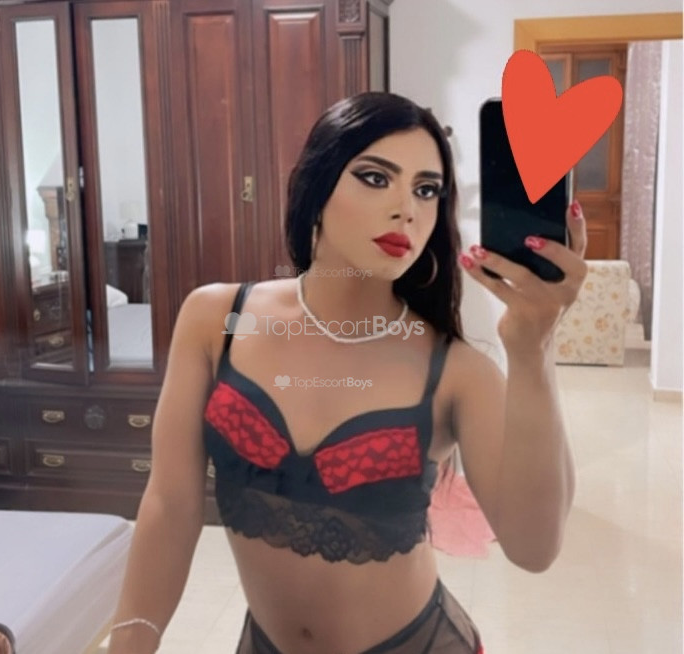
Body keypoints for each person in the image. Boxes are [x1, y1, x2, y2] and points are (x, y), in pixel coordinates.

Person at [106, 92, 586, 654]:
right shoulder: (217, 319)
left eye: (426, 189)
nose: (406, 208)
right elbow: (170, 504)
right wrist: (130, 642)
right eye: (376, 178)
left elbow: (534, 549)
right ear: (317, 184)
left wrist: (533, 349)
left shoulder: (456, 370)